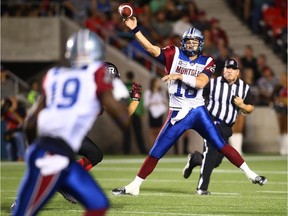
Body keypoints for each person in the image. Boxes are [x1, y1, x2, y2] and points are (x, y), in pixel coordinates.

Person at [111, 17, 267, 196]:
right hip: (178, 113)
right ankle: (135, 185)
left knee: (220, 144)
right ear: (183, 42)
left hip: (198, 111)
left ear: (201, 44)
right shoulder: (174, 54)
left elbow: (201, 83)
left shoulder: (207, 61)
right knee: (156, 150)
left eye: (195, 42)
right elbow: (151, 49)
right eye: (189, 41)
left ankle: (250, 174)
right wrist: (135, 29)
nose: (192, 45)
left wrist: (179, 76)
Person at [11, 29, 130, 216]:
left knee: (98, 203)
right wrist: (121, 96)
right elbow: (124, 121)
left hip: (52, 149)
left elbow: (31, 123)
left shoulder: (55, 74)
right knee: (25, 211)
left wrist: (33, 148)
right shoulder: (97, 77)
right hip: (53, 152)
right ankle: (22, 201)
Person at [182, 59, 256, 195]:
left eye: (233, 69)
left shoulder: (244, 88)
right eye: (227, 68)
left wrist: (242, 105)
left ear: (238, 72)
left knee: (215, 161)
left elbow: (250, 108)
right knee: (210, 155)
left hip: (227, 127)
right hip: (211, 122)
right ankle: (201, 188)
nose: (229, 70)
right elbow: (198, 95)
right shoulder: (213, 83)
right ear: (223, 70)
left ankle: (195, 159)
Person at [123, 71, 147, 154]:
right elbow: (140, 101)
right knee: (138, 133)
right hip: (136, 112)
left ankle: (126, 151)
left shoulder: (123, 86)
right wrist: (141, 112)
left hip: (126, 113)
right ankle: (143, 150)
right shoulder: (136, 86)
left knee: (127, 133)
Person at [144, 77, 168, 148]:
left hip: (160, 112)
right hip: (152, 112)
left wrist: (162, 102)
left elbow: (165, 101)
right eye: (156, 82)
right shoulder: (149, 92)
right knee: (152, 130)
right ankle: (152, 147)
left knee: (159, 130)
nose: (157, 84)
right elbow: (146, 103)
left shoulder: (161, 92)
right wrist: (154, 103)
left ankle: (158, 147)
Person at [272, 72, 287, 155]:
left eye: (285, 78)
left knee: (286, 129)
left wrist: (283, 100)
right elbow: (275, 98)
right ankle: (282, 148)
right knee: (281, 129)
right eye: (282, 78)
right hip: (281, 109)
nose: (283, 80)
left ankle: (286, 148)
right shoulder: (279, 89)